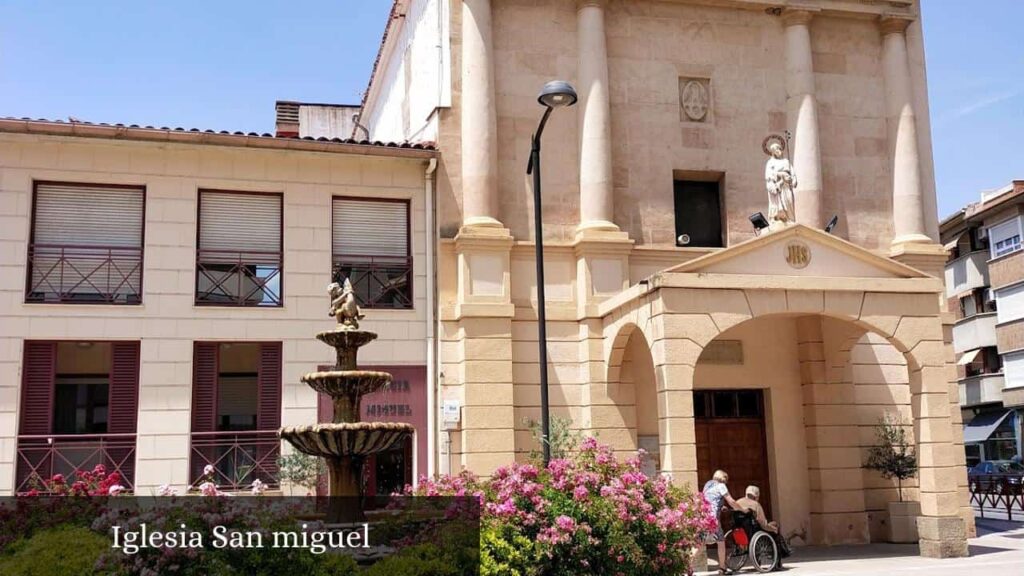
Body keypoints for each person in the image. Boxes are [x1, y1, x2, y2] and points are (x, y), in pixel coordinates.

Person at [702, 470, 747, 575]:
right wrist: (742, 509)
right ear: (723, 479)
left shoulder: (708, 485)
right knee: (721, 541)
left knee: (699, 542)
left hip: (703, 517)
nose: (726, 482)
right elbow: (731, 501)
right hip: (713, 519)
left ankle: (686, 567)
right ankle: (722, 568)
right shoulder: (721, 486)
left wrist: (721, 506)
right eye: (726, 480)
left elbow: (711, 499)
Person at [736, 485, 790, 569]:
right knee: (775, 527)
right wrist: (773, 528)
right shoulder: (756, 505)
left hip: (740, 531)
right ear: (756, 496)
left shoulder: (737, 502)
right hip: (754, 531)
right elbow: (763, 524)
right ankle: (778, 560)